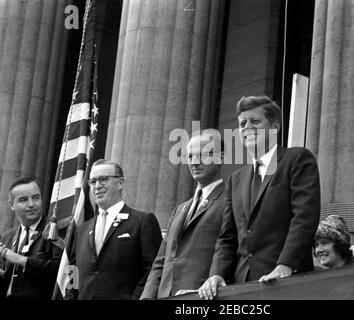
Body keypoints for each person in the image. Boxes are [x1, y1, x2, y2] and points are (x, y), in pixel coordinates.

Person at [198, 95, 321, 299]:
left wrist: (285, 265)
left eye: (255, 121)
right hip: (242, 287)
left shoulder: (296, 159)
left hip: (285, 282)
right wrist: (217, 274)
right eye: (242, 123)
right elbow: (227, 237)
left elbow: (304, 218)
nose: (247, 127)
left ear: (274, 127)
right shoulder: (235, 179)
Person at [140, 130, 226, 299]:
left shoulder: (230, 200)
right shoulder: (180, 209)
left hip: (203, 297)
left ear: (220, 158)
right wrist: (147, 297)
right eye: (190, 156)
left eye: (202, 155)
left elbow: (229, 249)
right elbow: (161, 262)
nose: (194, 162)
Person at [68, 159, 162, 299]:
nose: (97, 186)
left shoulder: (142, 221)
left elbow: (153, 270)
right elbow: (73, 271)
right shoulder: (82, 229)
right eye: (93, 182)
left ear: (120, 183)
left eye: (104, 179)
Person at [0, 176, 62, 299]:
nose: (31, 204)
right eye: (23, 200)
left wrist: (19, 259)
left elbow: (60, 271)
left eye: (36, 197)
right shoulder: (7, 237)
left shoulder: (56, 231)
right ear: (12, 205)